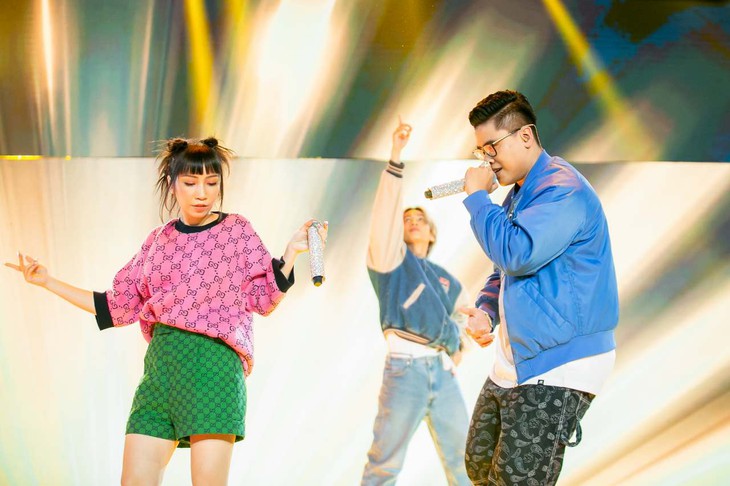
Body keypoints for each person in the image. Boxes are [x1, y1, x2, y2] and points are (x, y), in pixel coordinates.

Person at [5, 137, 327, 486]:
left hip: (214, 368)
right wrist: (47, 281)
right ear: (172, 184)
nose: (202, 193)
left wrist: (290, 254)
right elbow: (116, 306)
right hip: (160, 371)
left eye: (211, 183)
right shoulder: (157, 241)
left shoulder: (236, 231)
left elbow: (263, 300)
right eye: (190, 183)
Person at [458, 90, 619, 485]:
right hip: (518, 359)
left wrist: (477, 198)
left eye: (492, 147)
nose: (487, 159)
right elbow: (503, 269)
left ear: (526, 136)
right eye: (481, 151)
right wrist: (487, 311)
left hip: (559, 361)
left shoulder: (562, 189)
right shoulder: (519, 194)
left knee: (518, 480)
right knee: (479, 464)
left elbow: (517, 253)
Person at [361, 120, 471, 486]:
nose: (412, 222)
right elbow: (383, 219)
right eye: (406, 219)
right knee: (384, 465)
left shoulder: (447, 280)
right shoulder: (390, 262)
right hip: (404, 369)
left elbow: (467, 318)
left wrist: (456, 352)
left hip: (441, 371)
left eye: (419, 218)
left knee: (467, 464)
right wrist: (395, 157)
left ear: (432, 232)